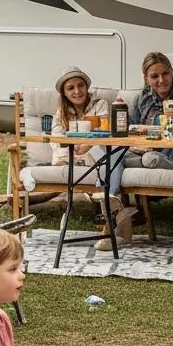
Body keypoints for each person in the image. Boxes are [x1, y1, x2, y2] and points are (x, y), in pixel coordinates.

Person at [50, 66, 133, 251]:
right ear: (64, 92)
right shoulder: (61, 113)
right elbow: (56, 142)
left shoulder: (100, 104)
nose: (77, 91)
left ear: (87, 87)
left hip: (102, 153)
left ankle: (110, 206)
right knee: (113, 157)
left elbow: (104, 133)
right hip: (81, 157)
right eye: (70, 88)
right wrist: (79, 150)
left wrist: (88, 144)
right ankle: (114, 214)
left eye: (80, 86)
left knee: (112, 153)